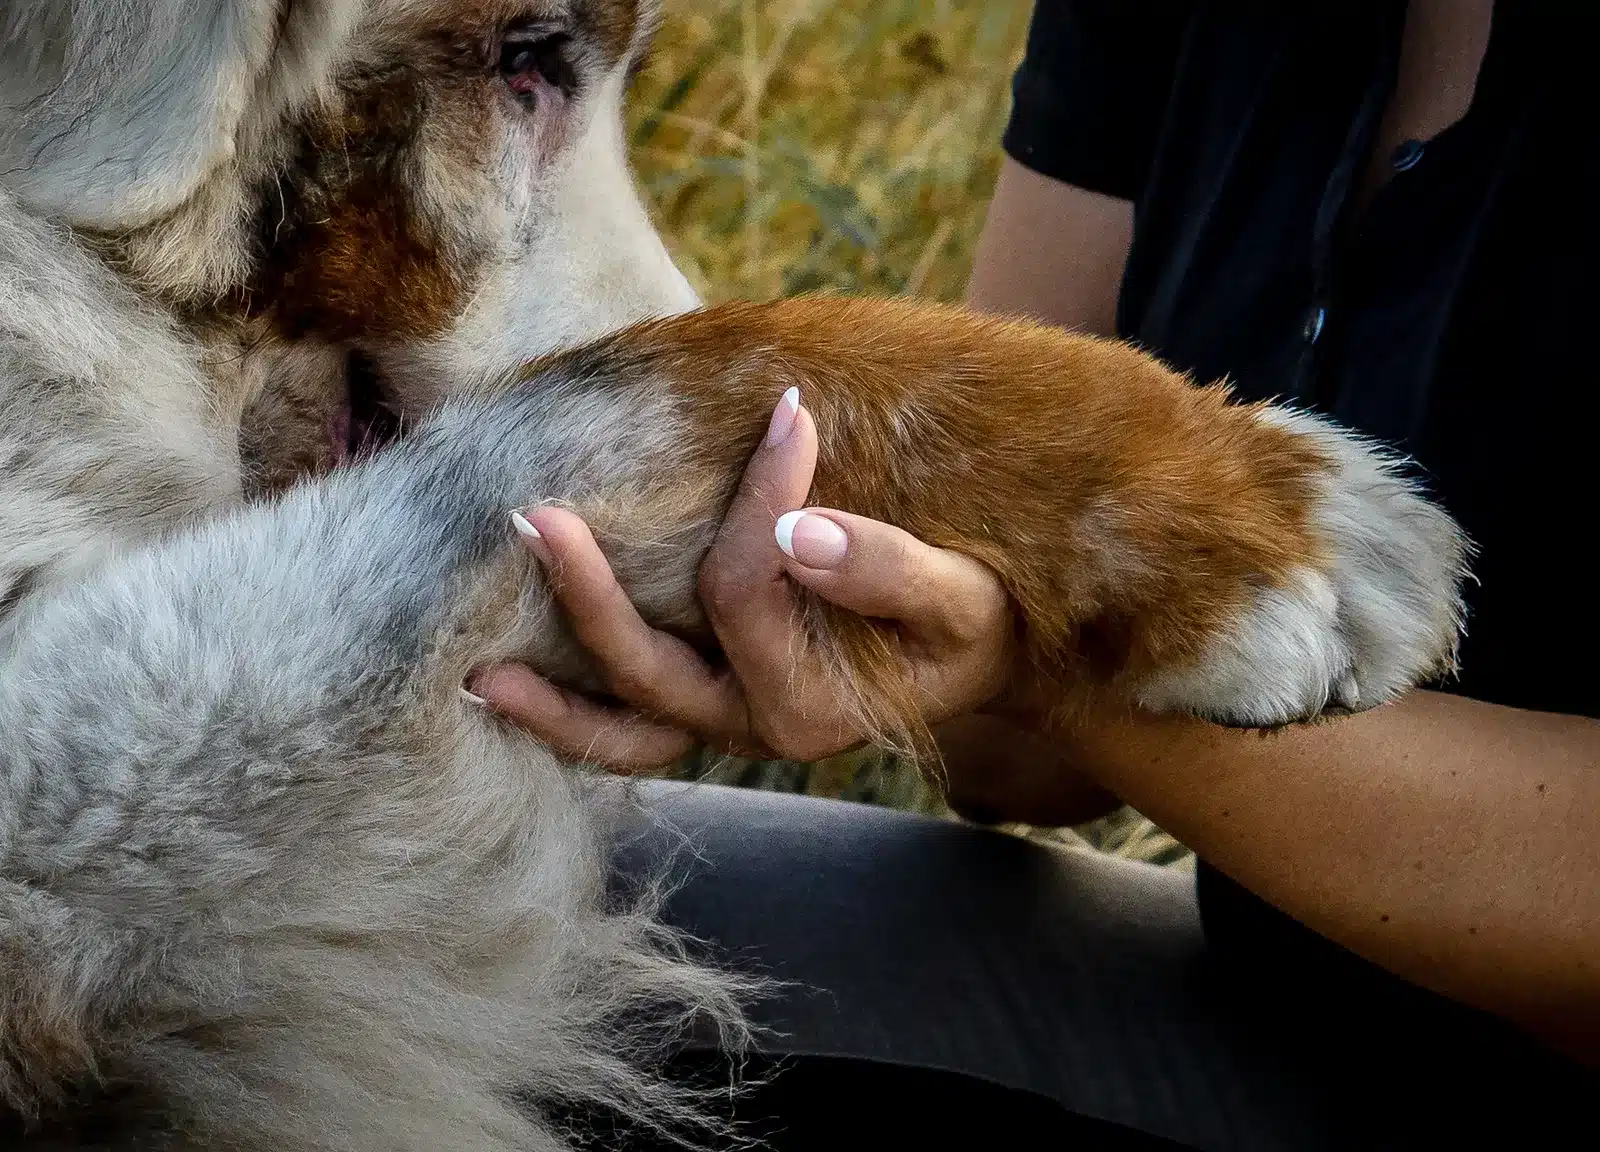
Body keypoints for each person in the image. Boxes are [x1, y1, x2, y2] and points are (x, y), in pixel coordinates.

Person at [470, 1, 1599, 1146]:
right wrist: (911, 626)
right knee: (464, 922)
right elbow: (1006, 772)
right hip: (1263, 1030)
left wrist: (1050, 667)